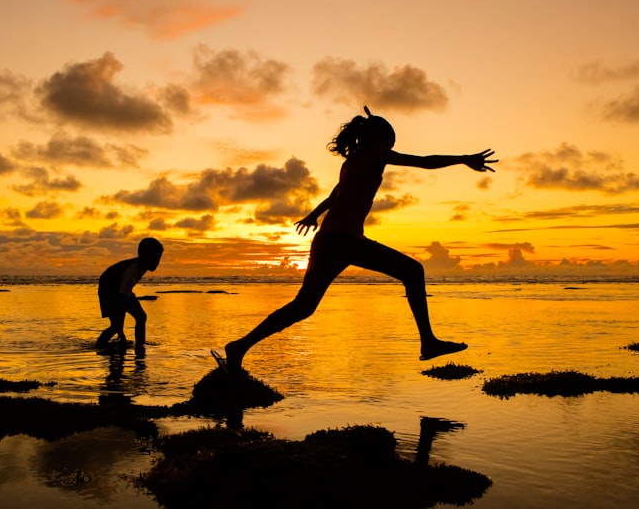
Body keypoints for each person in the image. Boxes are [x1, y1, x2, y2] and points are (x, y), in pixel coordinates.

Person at [212, 106, 497, 372]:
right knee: (413, 271)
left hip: (328, 241)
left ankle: (239, 347)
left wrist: (314, 215)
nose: (392, 148)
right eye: (391, 141)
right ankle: (429, 342)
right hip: (344, 241)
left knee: (303, 306)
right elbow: (423, 162)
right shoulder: (376, 154)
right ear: (383, 140)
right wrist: (463, 159)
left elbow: (335, 194)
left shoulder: (351, 162)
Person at [96, 237, 164, 347]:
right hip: (110, 290)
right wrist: (120, 326)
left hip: (121, 291)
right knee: (116, 326)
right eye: (156, 258)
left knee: (140, 317)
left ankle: (139, 343)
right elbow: (121, 296)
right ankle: (100, 344)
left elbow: (125, 292)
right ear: (147, 257)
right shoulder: (133, 268)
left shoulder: (141, 265)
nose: (158, 262)